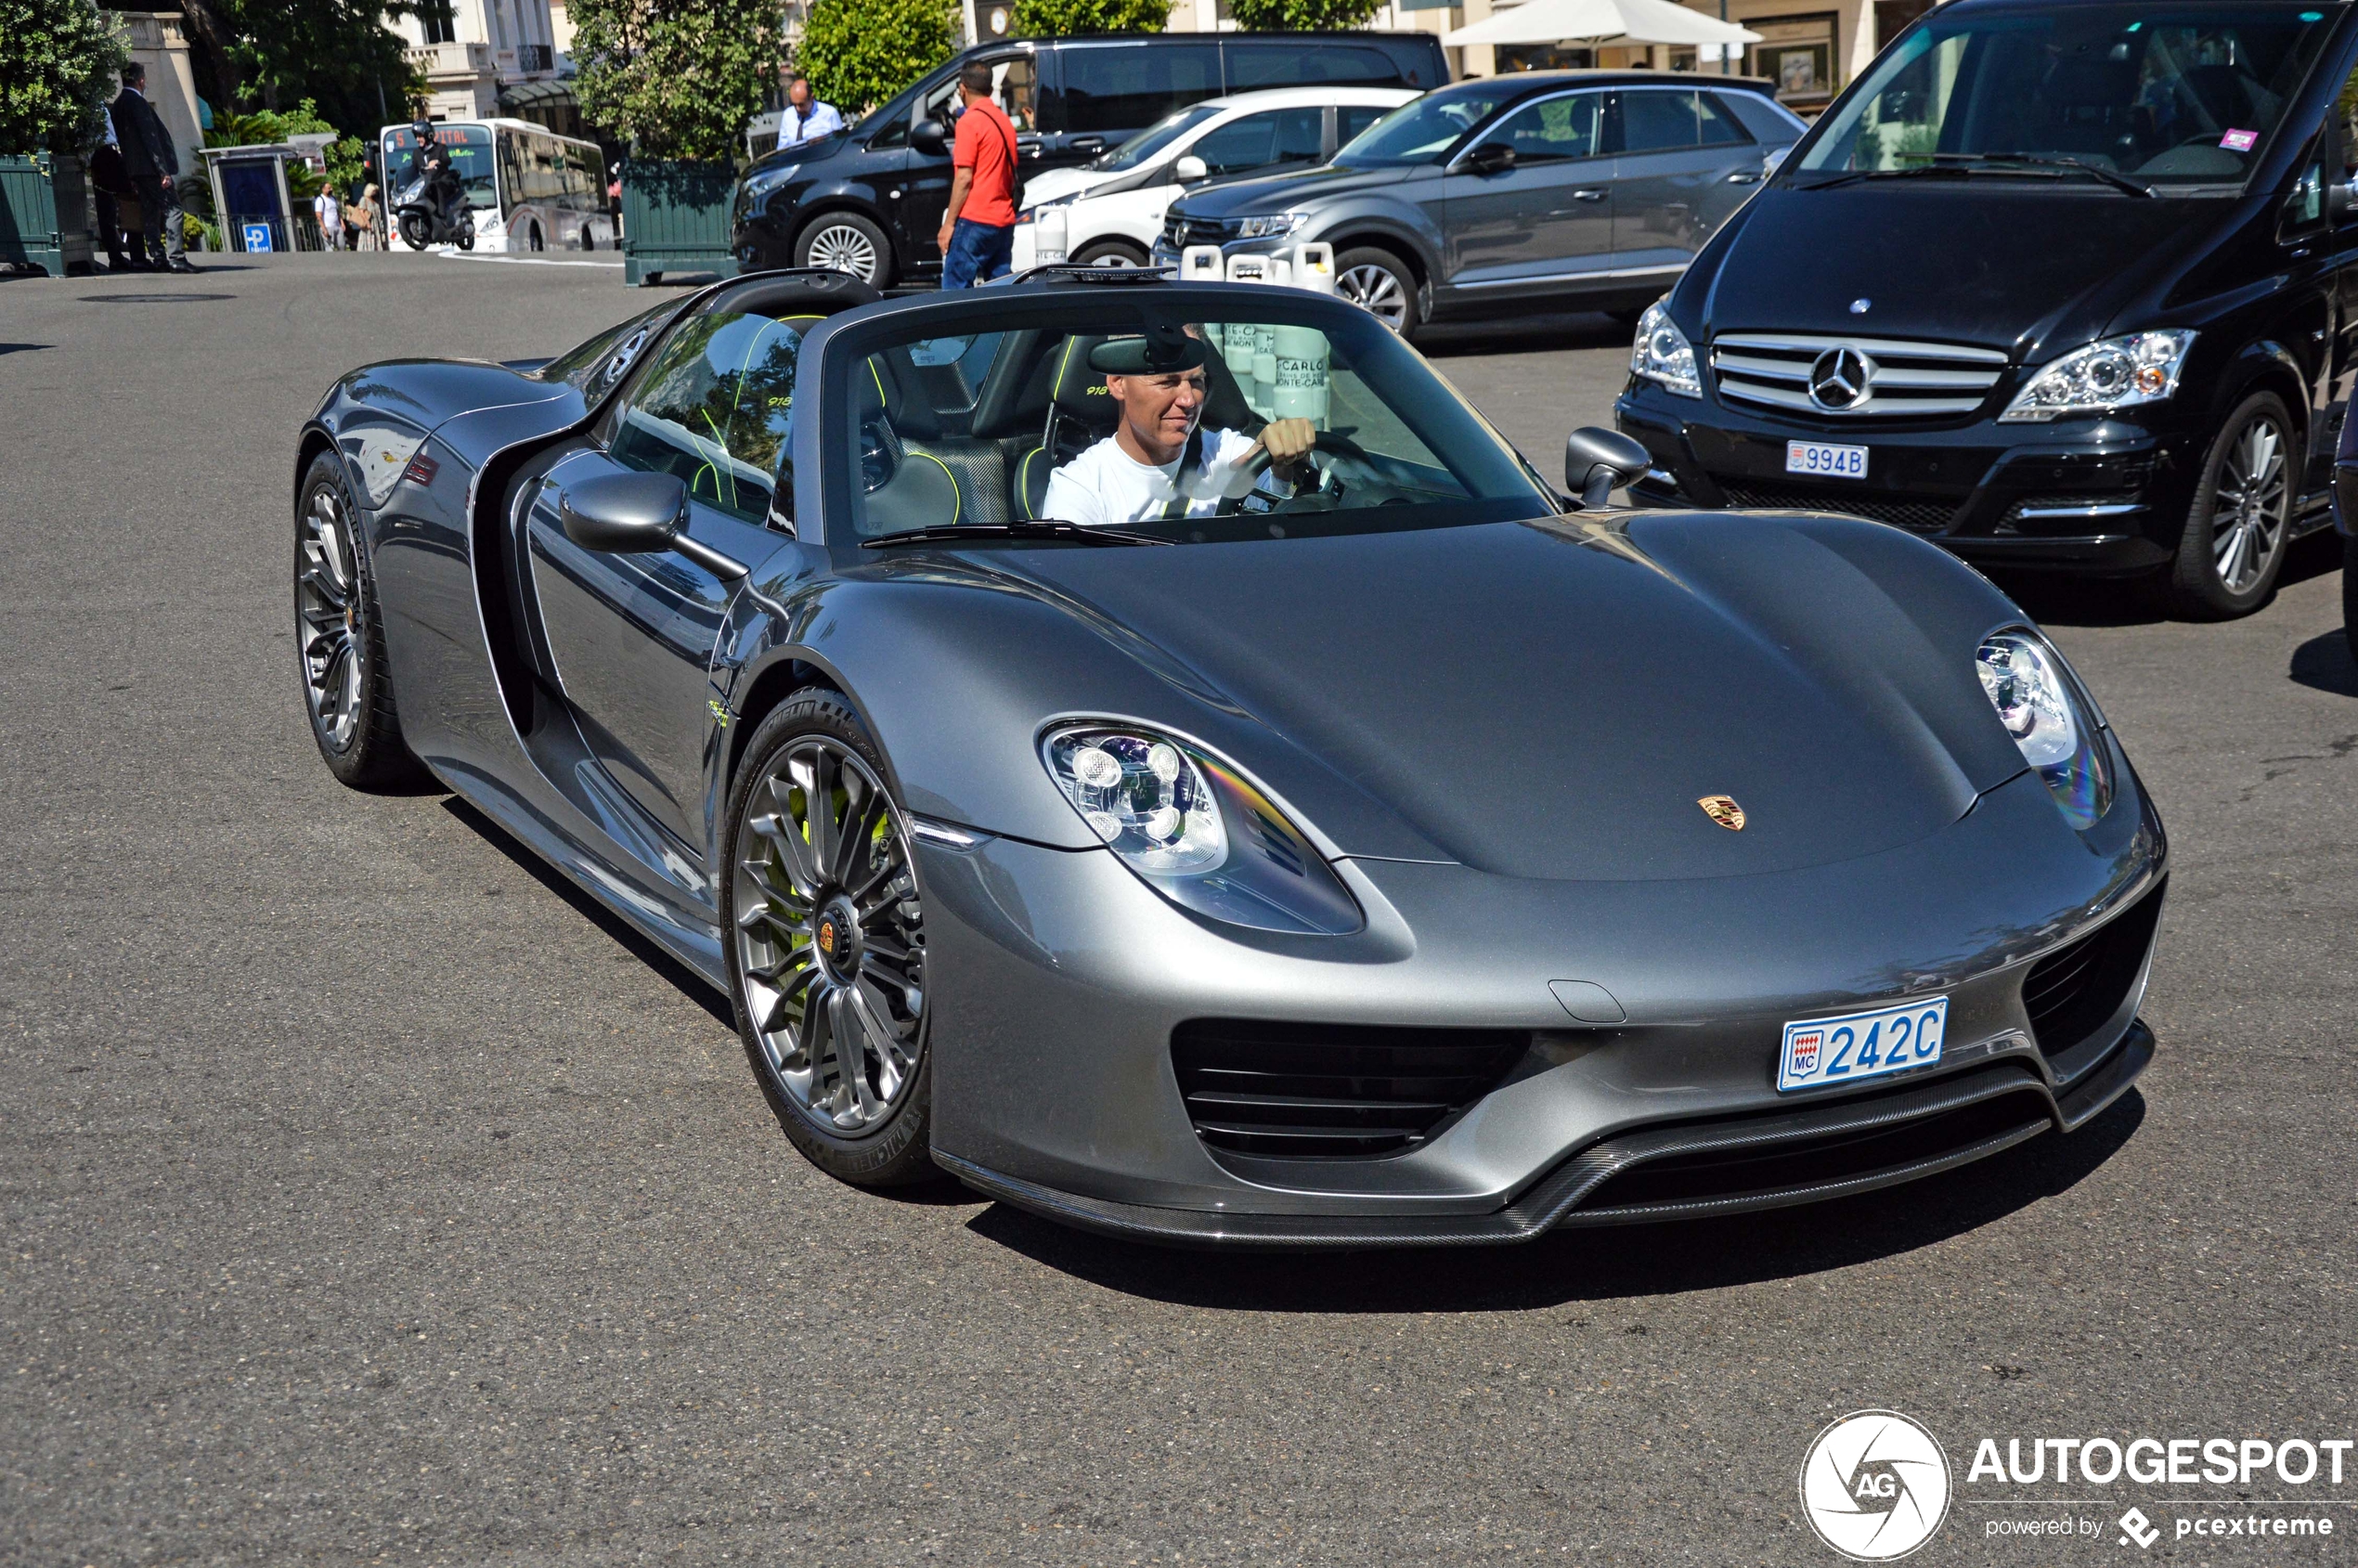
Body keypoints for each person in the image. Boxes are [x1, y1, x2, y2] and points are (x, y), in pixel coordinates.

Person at [1041, 323, 1316, 528]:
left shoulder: (1229, 452)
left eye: (1197, 382)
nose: (1188, 399)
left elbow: (1281, 511)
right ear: (1117, 383)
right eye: (1167, 382)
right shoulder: (1081, 489)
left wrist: (1284, 465)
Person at [938, 61, 1018, 290]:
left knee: (955, 292)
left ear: (962, 89)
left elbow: (964, 178)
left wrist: (949, 225)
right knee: (1000, 290)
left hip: (975, 220)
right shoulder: (1005, 122)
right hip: (1003, 220)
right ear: (990, 90)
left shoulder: (968, 123)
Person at [111, 63, 193, 274]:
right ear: (141, 80)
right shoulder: (138, 103)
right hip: (150, 168)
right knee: (173, 209)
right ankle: (176, 257)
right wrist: (163, 171)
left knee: (150, 212)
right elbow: (151, 138)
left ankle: (158, 257)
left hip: (136, 170)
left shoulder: (119, 104)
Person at [87, 104, 136, 271]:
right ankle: (117, 255)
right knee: (110, 207)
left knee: (114, 206)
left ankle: (121, 253)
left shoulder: (99, 104)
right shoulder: (93, 105)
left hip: (108, 153)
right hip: (103, 153)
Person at [774, 72, 843, 152]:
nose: (798, 109)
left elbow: (839, 145)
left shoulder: (829, 113)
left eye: (801, 104)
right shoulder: (788, 115)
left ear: (811, 98)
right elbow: (782, 149)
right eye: (794, 105)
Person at [313, 183, 343, 251]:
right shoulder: (320, 200)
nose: (331, 189)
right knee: (330, 248)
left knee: (341, 246)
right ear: (323, 189)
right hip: (327, 226)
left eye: (331, 188)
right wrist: (324, 229)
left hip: (337, 226)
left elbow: (337, 212)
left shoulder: (333, 199)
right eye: (329, 188)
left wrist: (342, 223)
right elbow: (318, 216)